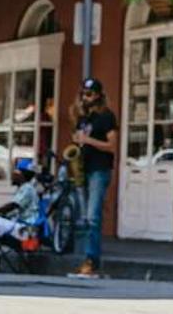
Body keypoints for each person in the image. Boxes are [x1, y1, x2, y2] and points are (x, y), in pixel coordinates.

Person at [71, 78, 119, 276]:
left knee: (93, 217)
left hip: (100, 170)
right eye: (83, 94)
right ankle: (88, 259)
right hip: (85, 168)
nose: (85, 97)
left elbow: (112, 146)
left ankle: (92, 260)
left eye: (89, 94)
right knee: (85, 217)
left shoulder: (107, 116)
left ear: (98, 95)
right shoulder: (84, 119)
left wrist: (88, 140)